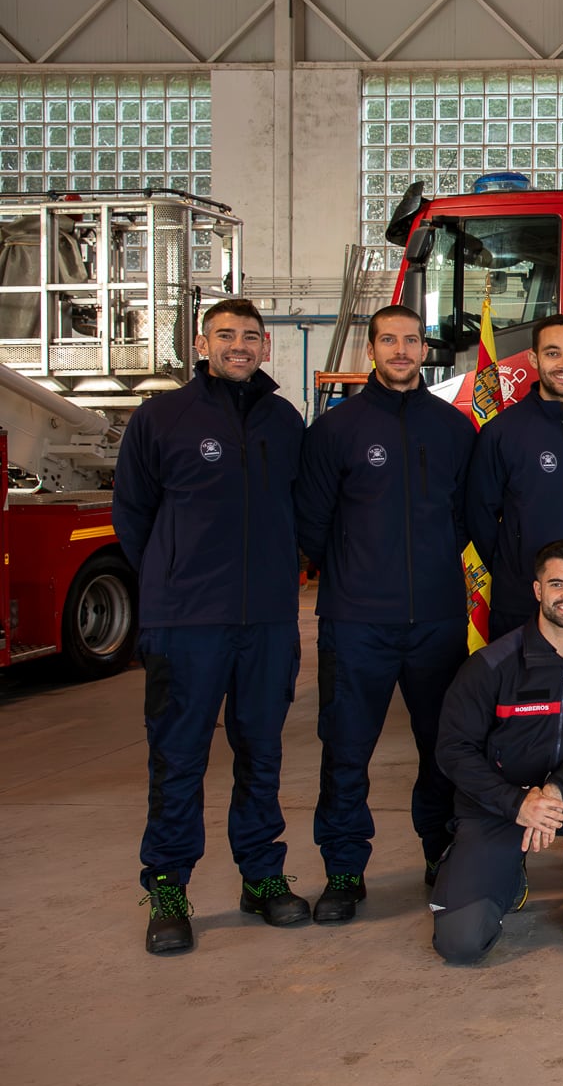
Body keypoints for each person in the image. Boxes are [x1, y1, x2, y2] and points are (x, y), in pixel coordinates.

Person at [117, 298, 309, 954]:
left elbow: (302, 512)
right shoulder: (162, 417)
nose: (239, 345)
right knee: (177, 761)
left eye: (251, 336)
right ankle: (168, 889)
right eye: (226, 334)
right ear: (203, 342)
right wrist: (173, 583)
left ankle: (261, 876)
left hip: (267, 623)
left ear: (264, 347)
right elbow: (133, 514)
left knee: (262, 754)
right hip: (186, 623)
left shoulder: (286, 421)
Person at [294, 303, 478, 924]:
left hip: (436, 618)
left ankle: (440, 855)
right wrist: (358, 572)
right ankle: (344, 872)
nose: (401, 351)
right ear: (370, 350)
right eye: (388, 340)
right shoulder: (335, 431)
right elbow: (313, 526)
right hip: (356, 621)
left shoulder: (454, 431)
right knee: (346, 750)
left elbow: (462, 519)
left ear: (424, 351)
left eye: (410, 341)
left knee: (443, 749)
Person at [430, 540, 563, 963]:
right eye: (558, 584)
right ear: (537, 590)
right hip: (498, 803)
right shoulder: (492, 665)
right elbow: (453, 751)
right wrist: (517, 802)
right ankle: (498, 867)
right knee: (461, 945)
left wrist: (556, 789)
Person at [465, 314, 563, 640]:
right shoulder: (502, 432)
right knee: (523, 690)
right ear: (534, 358)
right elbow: (479, 514)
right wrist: (517, 566)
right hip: (523, 601)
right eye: (553, 353)